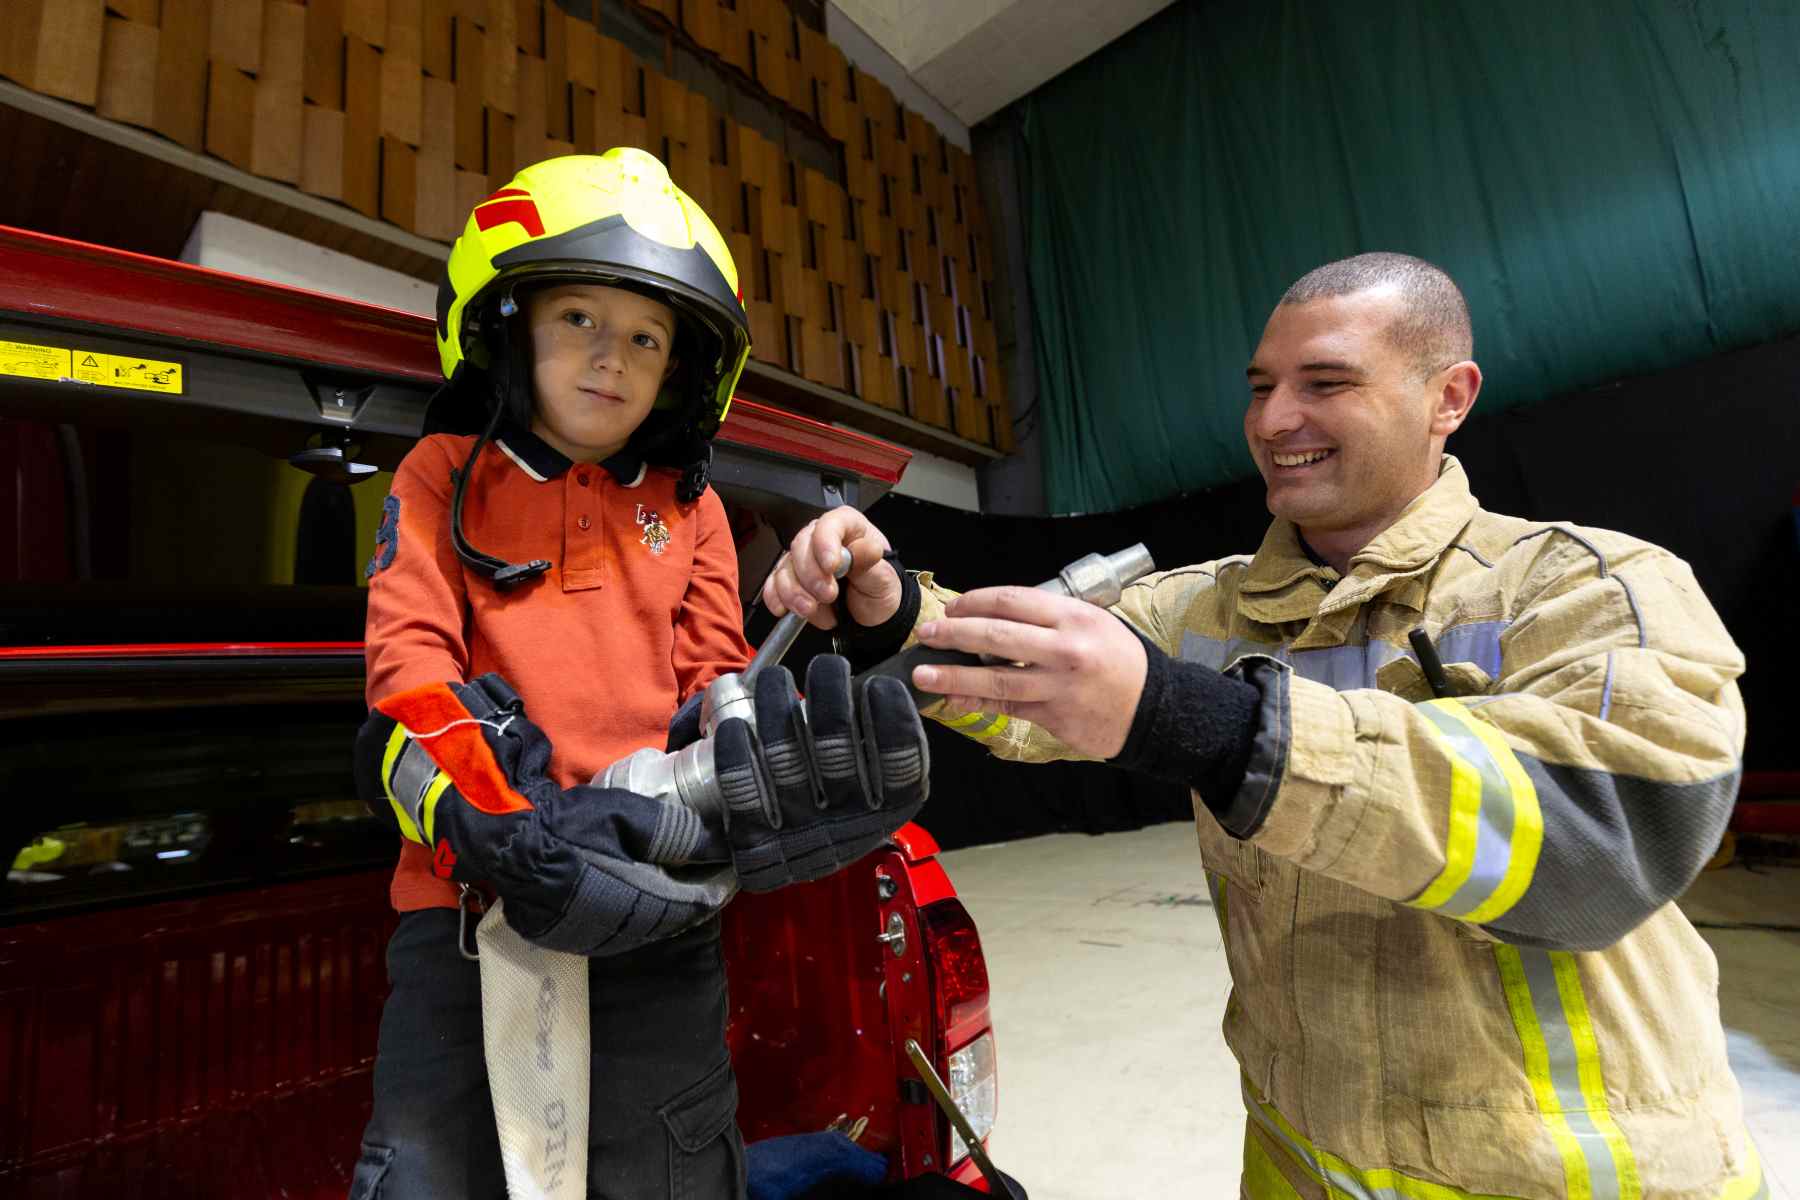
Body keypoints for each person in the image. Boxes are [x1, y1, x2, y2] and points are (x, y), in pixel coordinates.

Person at [766, 253, 1764, 1199]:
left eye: (1324, 383)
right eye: (1259, 386)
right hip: (1305, 1155)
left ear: (1449, 398)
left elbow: (1616, 829)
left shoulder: (1589, 583)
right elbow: (1013, 671)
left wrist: (1201, 723)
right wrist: (892, 607)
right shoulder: (1207, 608)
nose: (1275, 419)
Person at [348, 148, 928, 1199]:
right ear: (509, 322)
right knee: (433, 1173)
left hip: (657, 905)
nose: (611, 357)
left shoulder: (696, 510)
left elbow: (713, 680)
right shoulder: (438, 474)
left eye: (647, 336)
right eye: (580, 318)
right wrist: (497, 829)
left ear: (682, 370)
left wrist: (764, 773)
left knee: (671, 1168)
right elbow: (406, 675)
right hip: (467, 917)